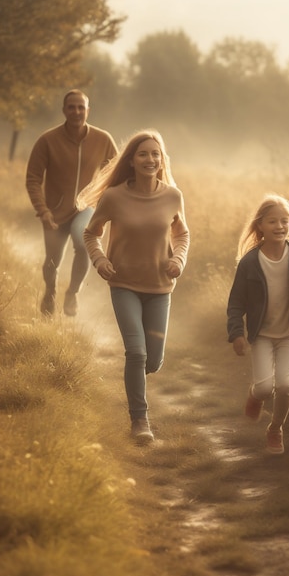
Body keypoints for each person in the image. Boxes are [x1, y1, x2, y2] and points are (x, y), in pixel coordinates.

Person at [78, 129, 189, 444]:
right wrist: (100, 261)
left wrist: (178, 260)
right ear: (132, 160)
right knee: (136, 353)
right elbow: (91, 233)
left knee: (152, 360)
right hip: (123, 283)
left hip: (160, 287)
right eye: (143, 153)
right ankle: (140, 421)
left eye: (155, 154)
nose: (150, 159)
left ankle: (136, 381)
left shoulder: (172, 196)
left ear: (161, 160)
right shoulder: (114, 197)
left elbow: (182, 235)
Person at [227, 194, 289, 455]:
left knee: (284, 384)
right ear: (260, 226)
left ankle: (275, 428)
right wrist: (236, 333)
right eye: (272, 221)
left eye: (285, 221)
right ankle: (255, 395)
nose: (280, 226)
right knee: (266, 387)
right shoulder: (249, 263)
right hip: (262, 335)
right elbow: (236, 302)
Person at [25, 89, 118, 317]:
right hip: (54, 213)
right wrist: (43, 210)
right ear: (64, 110)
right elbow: (33, 179)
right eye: (71, 107)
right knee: (52, 261)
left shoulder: (102, 139)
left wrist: (108, 202)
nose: (76, 111)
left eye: (81, 107)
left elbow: (116, 172)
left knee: (83, 242)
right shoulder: (47, 140)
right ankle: (50, 291)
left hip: (85, 208)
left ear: (88, 110)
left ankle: (73, 293)